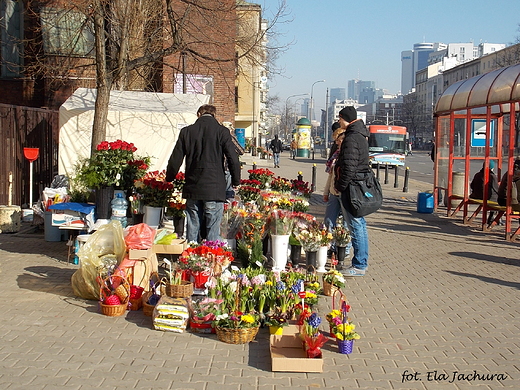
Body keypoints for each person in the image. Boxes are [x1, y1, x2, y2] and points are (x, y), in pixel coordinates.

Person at [166, 104, 240, 243]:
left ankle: (191, 257)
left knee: (193, 225)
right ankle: (210, 257)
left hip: (193, 186)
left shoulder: (187, 132)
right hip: (214, 188)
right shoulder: (222, 131)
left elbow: (176, 158)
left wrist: (169, 177)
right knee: (213, 228)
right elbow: (233, 158)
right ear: (214, 115)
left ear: (198, 114)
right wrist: (236, 181)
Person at [334, 106, 370, 277]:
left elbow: (349, 166)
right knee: (359, 224)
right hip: (356, 185)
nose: (338, 122)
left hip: (352, 188)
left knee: (355, 225)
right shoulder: (360, 135)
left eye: (340, 118)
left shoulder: (351, 138)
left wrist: (340, 185)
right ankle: (360, 262)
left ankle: (359, 265)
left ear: (345, 118)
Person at [323, 129, 351, 269]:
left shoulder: (348, 155)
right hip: (334, 193)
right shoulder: (336, 155)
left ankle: (343, 250)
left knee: (346, 224)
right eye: (336, 140)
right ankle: (329, 246)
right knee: (328, 220)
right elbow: (331, 176)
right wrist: (326, 191)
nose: (336, 142)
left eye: (338, 140)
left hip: (346, 194)